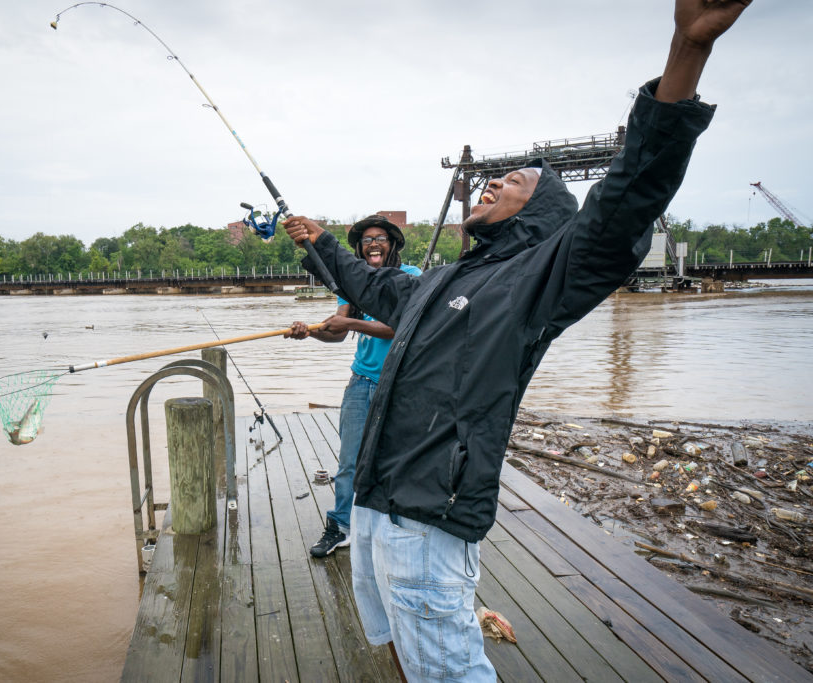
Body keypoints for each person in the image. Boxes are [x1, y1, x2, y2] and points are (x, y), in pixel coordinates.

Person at [283, 2, 752, 679]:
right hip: (377, 500)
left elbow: (629, 196)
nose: (496, 180)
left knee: (449, 666)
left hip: (428, 519)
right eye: (498, 176)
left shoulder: (542, 277)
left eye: (516, 182)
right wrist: (320, 241)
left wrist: (686, 49)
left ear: (542, 215)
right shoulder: (441, 282)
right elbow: (368, 282)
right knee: (391, 637)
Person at [285, 215, 421, 558]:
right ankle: (340, 526)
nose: (373, 244)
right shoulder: (352, 288)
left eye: (380, 238)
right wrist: (310, 331)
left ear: (392, 245)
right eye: (366, 240)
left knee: (399, 460)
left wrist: (351, 321)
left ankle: (395, 529)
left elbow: (400, 326)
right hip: (361, 382)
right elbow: (339, 333)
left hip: (402, 385)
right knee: (350, 462)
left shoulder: (414, 278)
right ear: (359, 250)